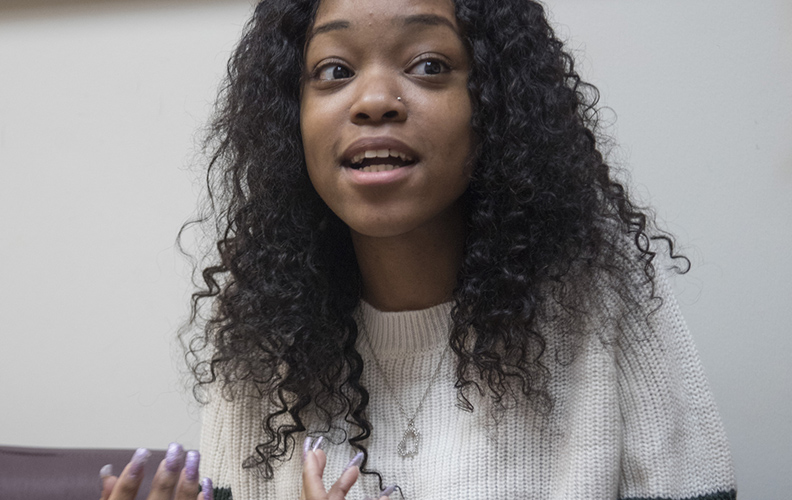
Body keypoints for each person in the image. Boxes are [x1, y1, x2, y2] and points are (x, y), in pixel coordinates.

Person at [99, 0, 736, 499]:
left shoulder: (600, 293)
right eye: (334, 71)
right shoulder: (262, 328)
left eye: (429, 65)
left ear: (495, 104)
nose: (374, 101)